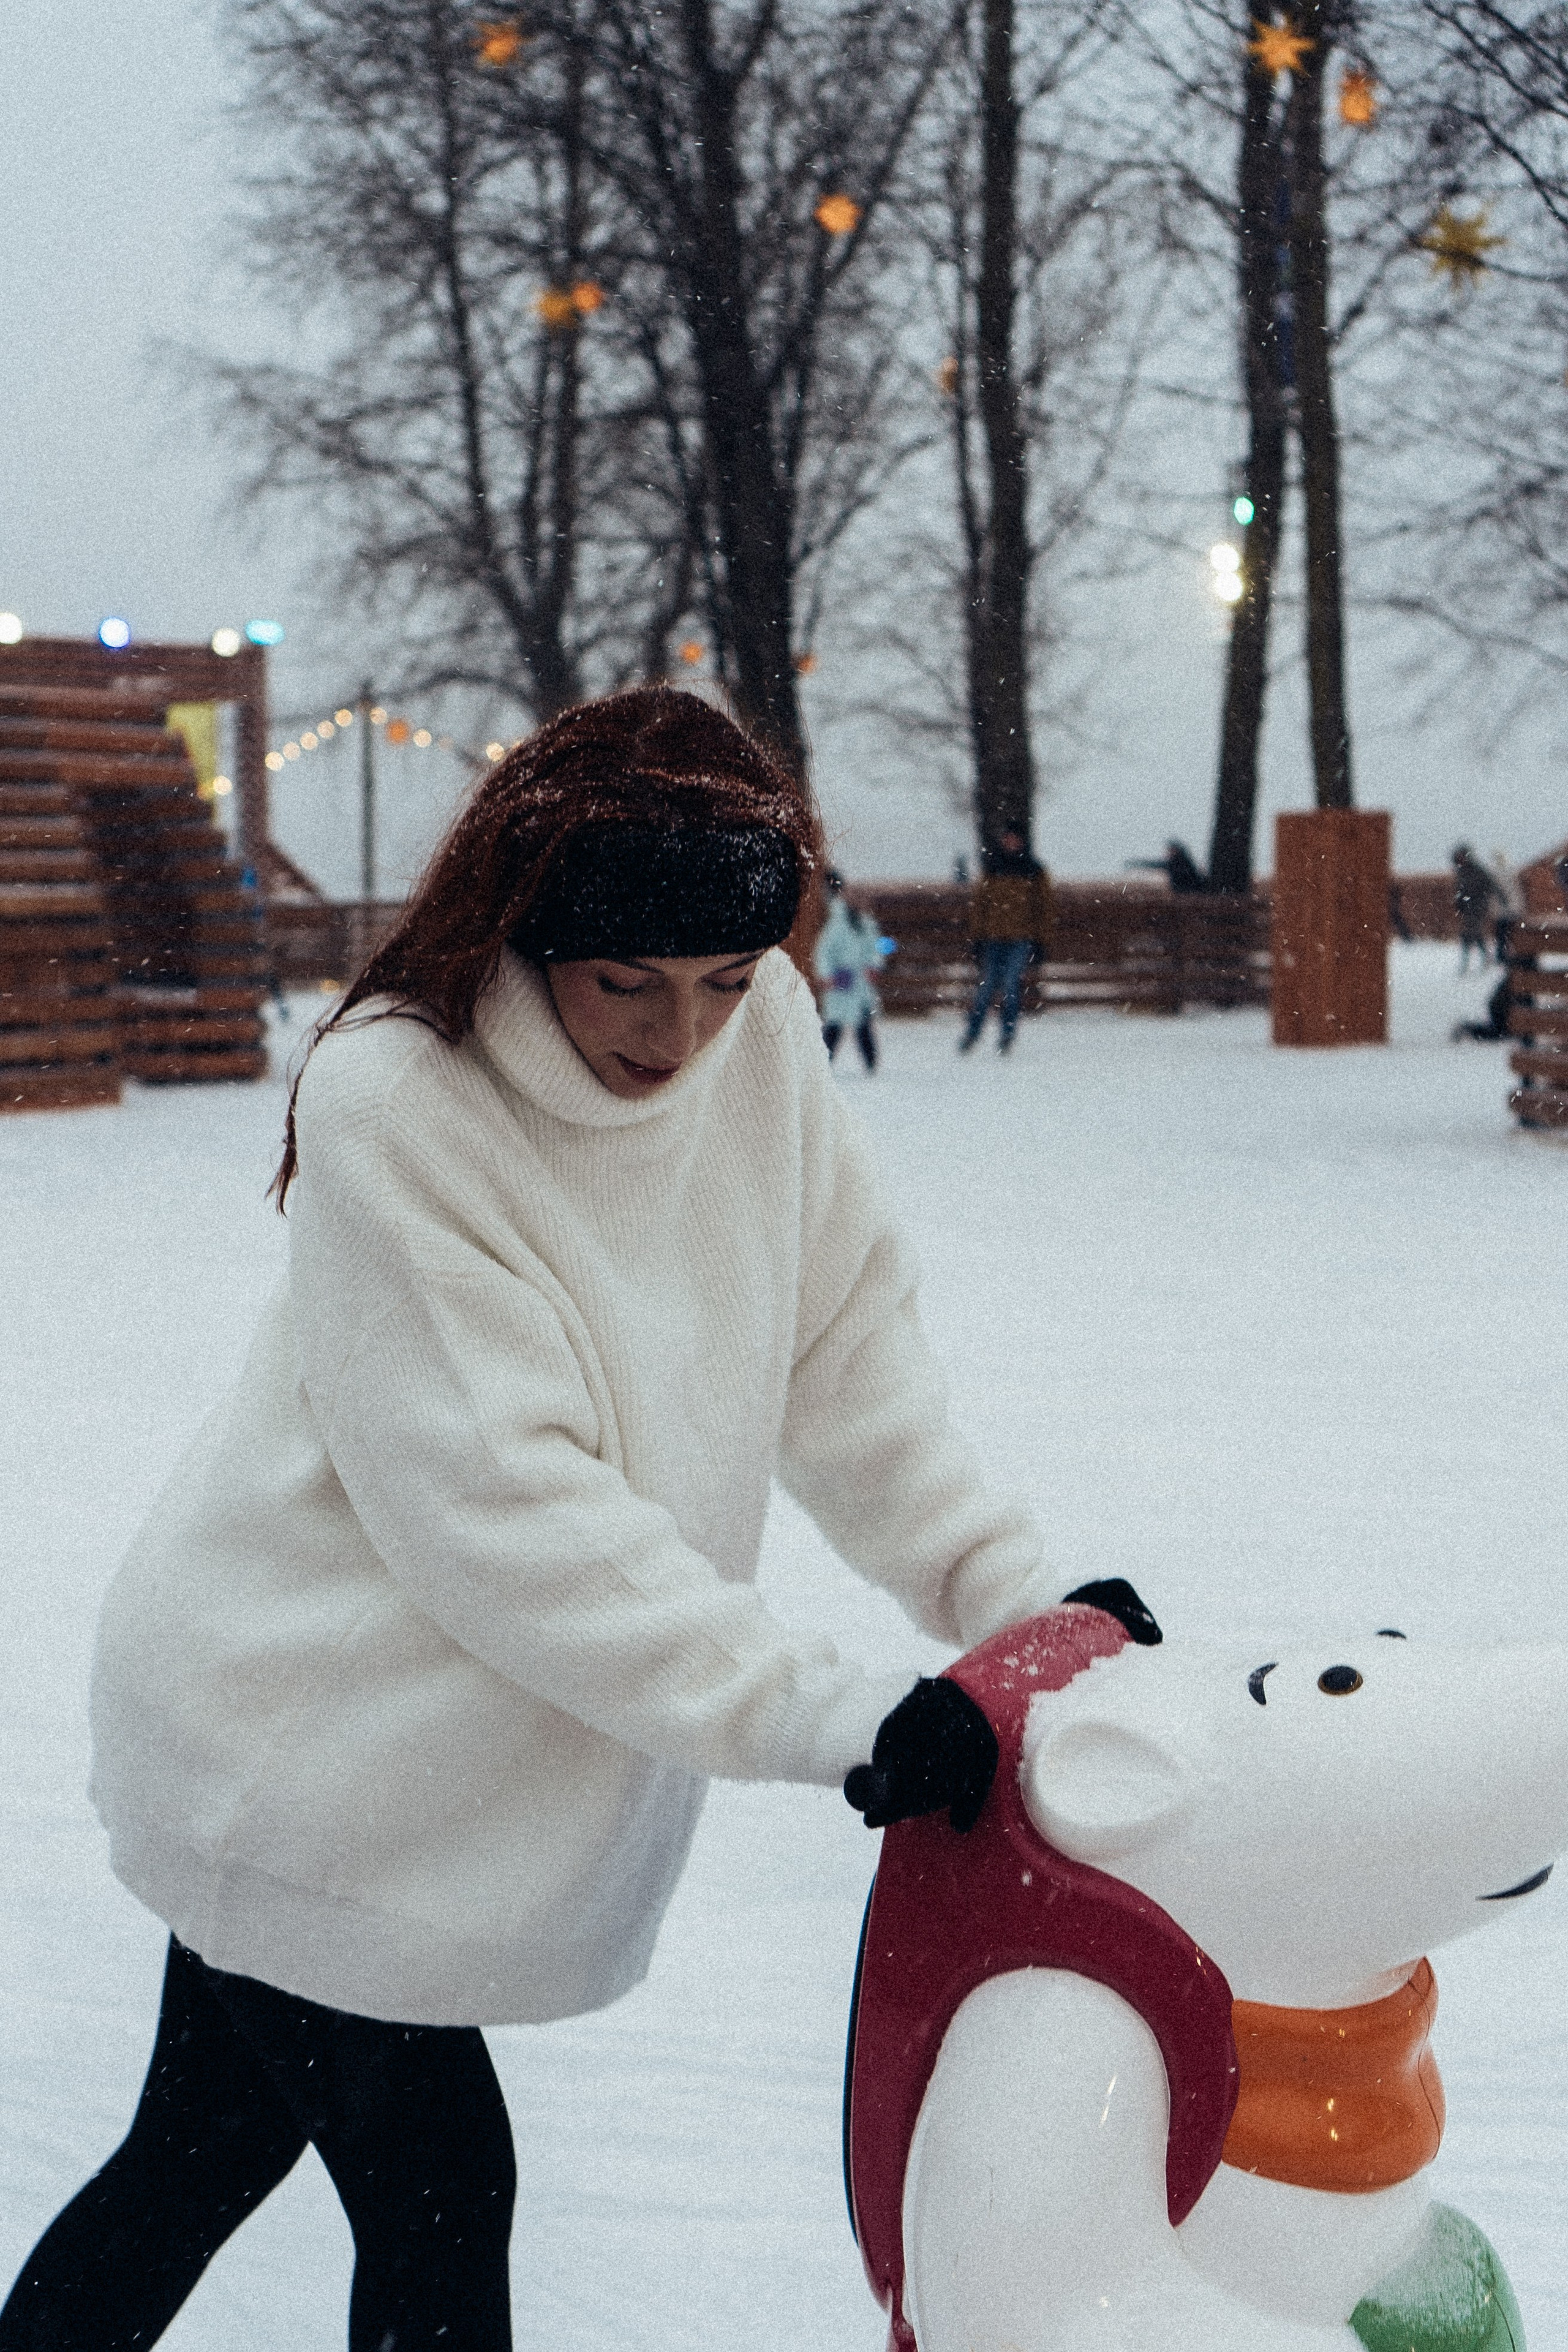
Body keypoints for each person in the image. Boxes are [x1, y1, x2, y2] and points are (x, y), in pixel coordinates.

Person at [1, 687, 1153, 2352]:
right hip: (310, 1751)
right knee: (439, 2188)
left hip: (421, 1776)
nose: (679, 1034)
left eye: (723, 984)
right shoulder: (399, 1101)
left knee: (195, 2156)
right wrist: (831, 1717)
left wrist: (1019, 1605)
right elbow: (506, 1514)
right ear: (529, 926)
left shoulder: (757, 1045)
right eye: (630, 981)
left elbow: (841, 1363)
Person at [959, 826, 1052, 1054]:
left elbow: (1044, 908)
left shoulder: (1034, 871)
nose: (1011, 843)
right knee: (986, 988)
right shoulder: (992, 868)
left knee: (1011, 986)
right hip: (993, 938)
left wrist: (1040, 940)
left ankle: (1007, 1034)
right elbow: (980, 906)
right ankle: (973, 1032)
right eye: (1007, 839)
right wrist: (978, 937)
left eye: (1014, 839)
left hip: (1020, 938)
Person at [813, 867, 886, 1071]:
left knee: (863, 1023)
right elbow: (823, 953)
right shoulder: (836, 926)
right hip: (841, 981)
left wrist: (874, 965)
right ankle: (822, 1063)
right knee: (834, 1026)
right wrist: (827, 976)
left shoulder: (867, 924)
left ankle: (871, 1063)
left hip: (860, 982)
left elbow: (876, 947)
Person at [1451, 844, 1502, 970]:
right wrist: (1460, 902)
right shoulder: (1461, 871)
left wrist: (1496, 898)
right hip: (1468, 907)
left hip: (1478, 906)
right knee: (1474, 933)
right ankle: (1484, 958)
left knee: (1470, 932)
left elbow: (1491, 885)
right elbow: (1461, 890)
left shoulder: (1477, 870)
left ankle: (1469, 962)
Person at [1127, 839, 1207, 894]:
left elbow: (1158, 865)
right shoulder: (1181, 862)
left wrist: (1139, 864)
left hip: (1188, 892)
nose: (1168, 853)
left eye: (1171, 850)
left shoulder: (1180, 863)